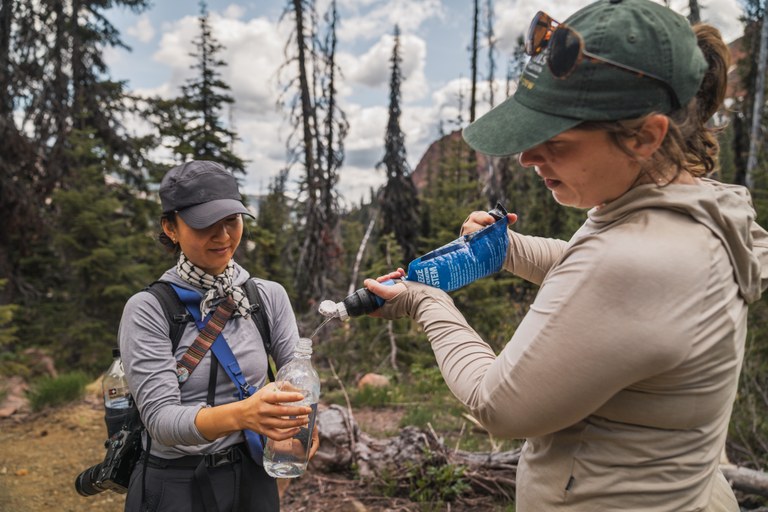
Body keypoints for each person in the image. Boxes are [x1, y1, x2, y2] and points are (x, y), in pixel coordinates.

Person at [364, 0, 768, 510]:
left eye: (556, 139)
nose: (529, 156)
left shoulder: (636, 261)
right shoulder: (690, 216)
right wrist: (507, 249)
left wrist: (426, 301)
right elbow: (592, 269)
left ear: (646, 136)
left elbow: (498, 405)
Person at [119, 160, 318, 512]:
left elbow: (296, 375)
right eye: (204, 224)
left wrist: (306, 424)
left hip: (253, 477)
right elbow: (162, 420)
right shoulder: (149, 309)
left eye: (231, 220)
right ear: (171, 228)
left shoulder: (267, 296)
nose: (223, 236)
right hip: (175, 484)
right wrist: (244, 414)